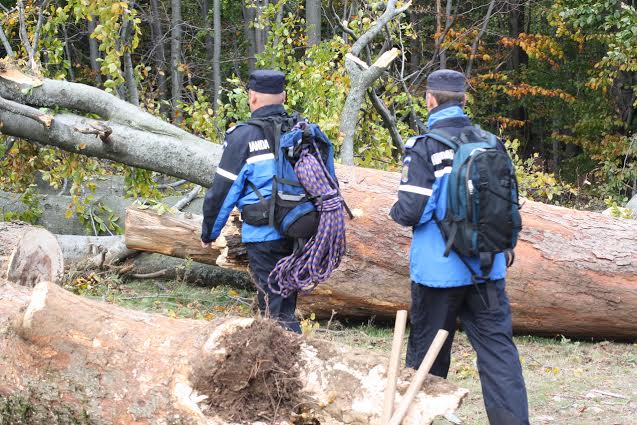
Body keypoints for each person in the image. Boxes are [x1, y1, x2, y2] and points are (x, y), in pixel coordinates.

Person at [389, 69, 529, 425]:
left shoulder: (424, 147)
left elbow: (411, 211)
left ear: (430, 100)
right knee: (498, 354)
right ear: (464, 100)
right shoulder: (492, 143)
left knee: (427, 359)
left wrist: (392, 210)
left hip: (438, 274)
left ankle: (417, 419)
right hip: (488, 268)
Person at [200, 69, 301, 333]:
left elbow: (223, 192)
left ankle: (286, 354)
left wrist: (209, 232)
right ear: (284, 96)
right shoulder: (301, 130)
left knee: (274, 308)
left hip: (265, 234)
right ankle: (290, 349)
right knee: (285, 300)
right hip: (301, 230)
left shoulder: (243, 137)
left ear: (252, 97)